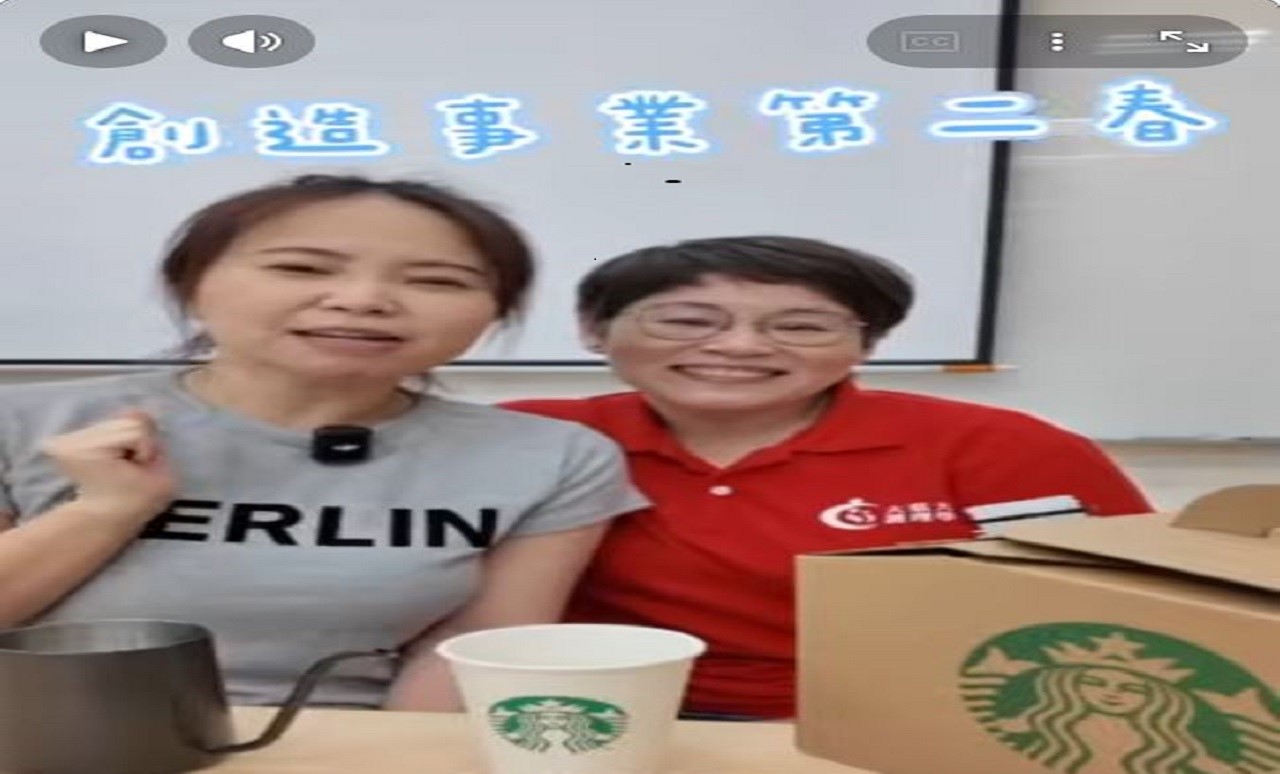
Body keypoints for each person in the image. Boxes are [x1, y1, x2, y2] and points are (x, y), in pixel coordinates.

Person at [0, 174, 647, 711]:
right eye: (301, 268)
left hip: (351, 744)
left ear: (493, 313)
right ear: (192, 286)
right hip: (58, 733)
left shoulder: (552, 457)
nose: (364, 300)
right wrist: (104, 511)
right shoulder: (27, 418)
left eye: (437, 281)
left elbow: (470, 653)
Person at [502, 235, 1154, 720]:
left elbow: (1113, 609)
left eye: (802, 327)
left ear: (866, 345)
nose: (740, 346)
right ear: (594, 330)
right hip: (600, 714)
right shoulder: (531, 438)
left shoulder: (999, 447)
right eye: (686, 321)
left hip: (909, 723)